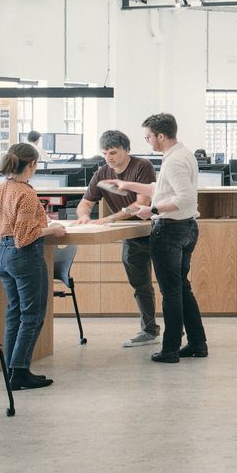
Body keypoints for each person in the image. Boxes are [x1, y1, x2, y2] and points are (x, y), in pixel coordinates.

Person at [111, 113, 207, 364]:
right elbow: (162, 189)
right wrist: (127, 185)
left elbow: (185, 198)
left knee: (172, 292)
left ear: (161, 136)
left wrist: (151, 211)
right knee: (182, 289)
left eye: (149, 137)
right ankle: (197, 344)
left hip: (170, 231)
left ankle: (170, 350)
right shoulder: (181, 155)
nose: (148, 142)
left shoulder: (174, 161)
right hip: (186, 228)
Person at [0, 142, 68, 390]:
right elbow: (25, 236)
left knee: (14, 313)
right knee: (33, 315)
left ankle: (12, 370)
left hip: (3, 257)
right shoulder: (26, 194)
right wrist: (53, 229)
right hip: (25, 257)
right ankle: (20, 372)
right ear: (32, 164)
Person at [75, 129, 160, 348]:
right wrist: (84, 217)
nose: (108, 157)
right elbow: (85, 203)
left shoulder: (142, 166)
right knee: (140, 283)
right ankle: (149, 330)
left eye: (113, 152)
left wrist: (109, 219)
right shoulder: (102, 172)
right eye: (105, 153)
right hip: (130, 234)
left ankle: (177, 331)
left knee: (170, 283)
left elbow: (141, 203)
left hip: (155, 229)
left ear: (126, 150)